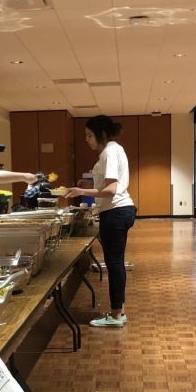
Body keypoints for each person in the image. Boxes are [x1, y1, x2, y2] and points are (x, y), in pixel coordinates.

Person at [65, 115, 136, 328]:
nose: (86, 139)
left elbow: (111, 190)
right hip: (117, 211)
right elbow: (108, 183)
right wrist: (87, 182)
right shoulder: (112, 150)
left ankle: (116, 315)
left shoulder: (110, 151)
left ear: (101, 134)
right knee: (116, 262)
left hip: (115, 211)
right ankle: (118, 311)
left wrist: (81, 190)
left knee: (114, 263)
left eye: (89, 135)